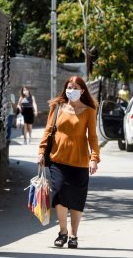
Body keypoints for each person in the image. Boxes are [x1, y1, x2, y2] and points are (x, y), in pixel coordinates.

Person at [38, 76, 100, 250]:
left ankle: (74, 235)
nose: (71, 90)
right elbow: (48, 131)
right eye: (68, 87)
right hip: (58, 159)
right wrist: (42, 151)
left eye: (75, 87)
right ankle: (63, 232)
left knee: (77, 199)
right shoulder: (57, 107)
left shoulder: (89, 111)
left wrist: (94, 158)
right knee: (58, 194)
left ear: (82, 91)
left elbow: (93, 137)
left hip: (80, 161)